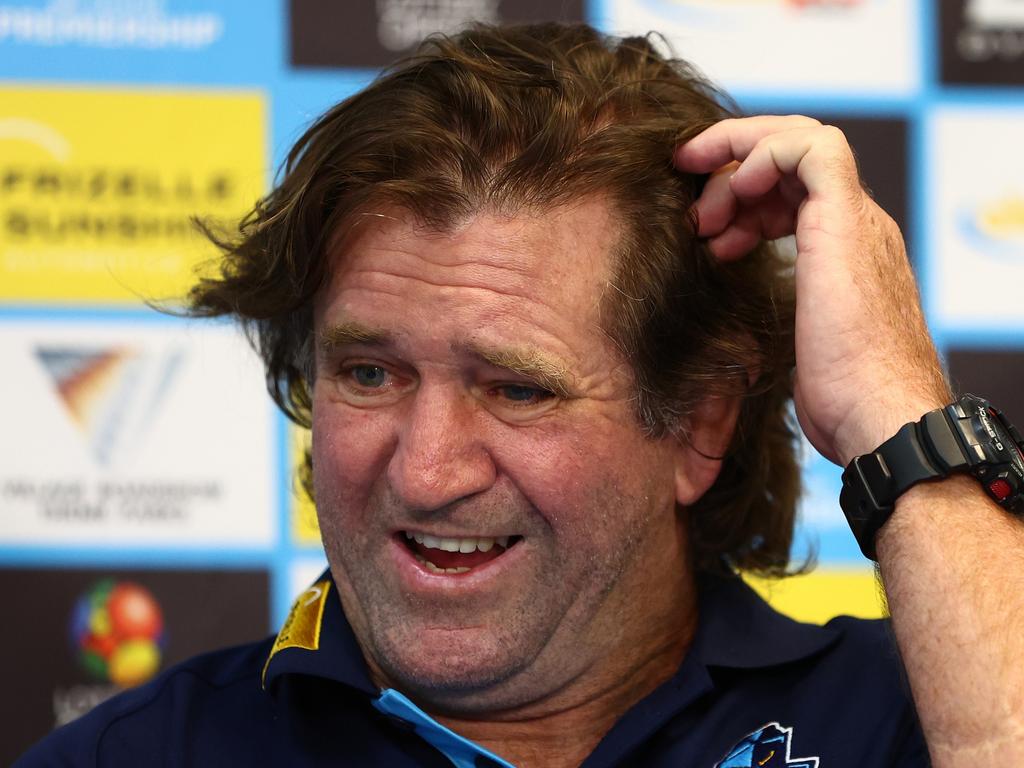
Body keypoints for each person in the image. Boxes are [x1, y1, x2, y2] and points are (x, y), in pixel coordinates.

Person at [16, 22, 1024, 768]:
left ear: (700, 421)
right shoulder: (139, 756)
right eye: (370, 374)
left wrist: (901, 414)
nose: (424, 469)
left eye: (515, 389)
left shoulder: (908, 717)